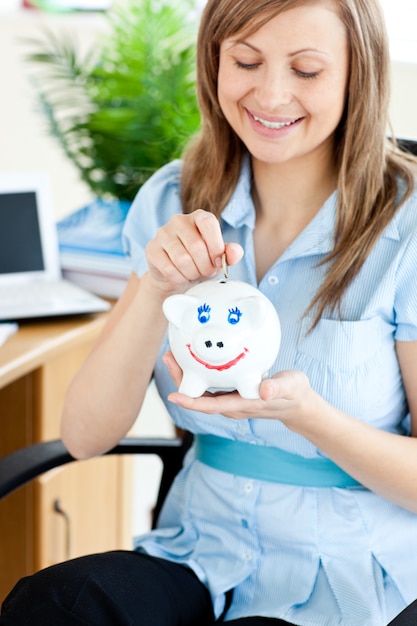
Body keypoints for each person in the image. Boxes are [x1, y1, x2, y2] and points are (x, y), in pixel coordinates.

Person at [2, 0, 417, 624]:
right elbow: (86, 436)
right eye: (246, 61)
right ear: (214, 63)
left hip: (352, 572)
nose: (272, 94)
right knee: (59, 605)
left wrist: (307, 416)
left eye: (306, 70)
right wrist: (155, 287)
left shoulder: (406, 225)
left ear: (359, 74)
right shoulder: (173, 197)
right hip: (199, 553)